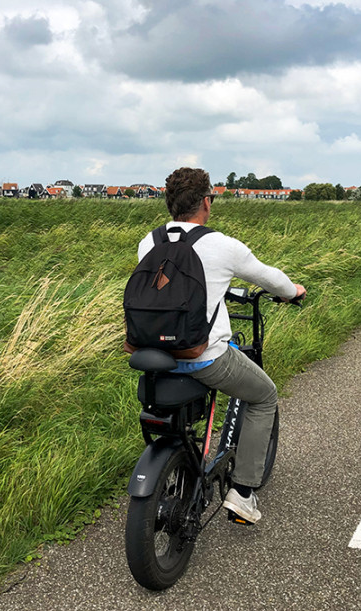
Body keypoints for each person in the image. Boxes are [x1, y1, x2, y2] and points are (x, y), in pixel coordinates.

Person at [136, 167, 305, 524]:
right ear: (207, 203)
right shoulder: (223, 246)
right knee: (264, 395)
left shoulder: (148, 242)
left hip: (153, 353)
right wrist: (293, 292)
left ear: (170, 203)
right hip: (203, 357)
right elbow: (271, 278)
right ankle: (243, 494)